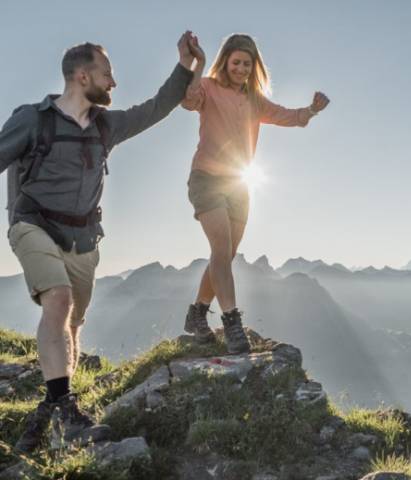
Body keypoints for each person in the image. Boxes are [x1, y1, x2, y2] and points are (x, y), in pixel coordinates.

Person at [0, 31, 198, 453]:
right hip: (32, 224)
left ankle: (51, 405)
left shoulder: (107, 126)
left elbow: (156, 108)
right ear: (82, 75)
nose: (114, 82)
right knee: (58, 298)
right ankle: (70, 415)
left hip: (84, 237)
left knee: (71, 323)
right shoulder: (33, 120)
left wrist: (185, 67)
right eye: (107, 73)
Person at [181, 33, 330, 352]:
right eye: (236, 62)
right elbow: (188, 100)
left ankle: (196, 314)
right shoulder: (208, 86)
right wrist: (199, 64)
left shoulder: (254, 99)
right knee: (221, 249)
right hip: (206, 177)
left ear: (254, 66)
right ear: (226, 61)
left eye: (247, 64)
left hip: (239, 182)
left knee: (227, 254)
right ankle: (232, 323)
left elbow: (287, 116)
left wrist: (312, 111)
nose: (241, 69)